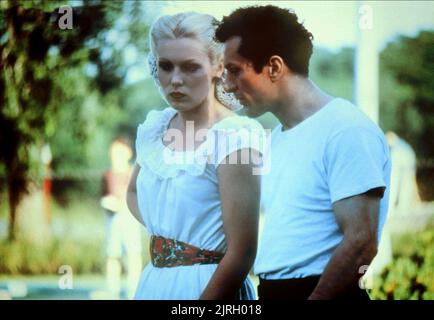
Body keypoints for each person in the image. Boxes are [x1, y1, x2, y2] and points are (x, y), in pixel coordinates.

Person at [215, 5, 391, 300]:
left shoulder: (345, 128)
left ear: (273, 66)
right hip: (274, 291)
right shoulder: (275, 140)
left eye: (234, 70)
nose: (228, 86)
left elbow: (361, 243)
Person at [127, 12, 266, 300]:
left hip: (211, 285)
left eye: (190, 67)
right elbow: (131, 193)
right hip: (155, 281)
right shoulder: (155, 128)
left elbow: (243, 252)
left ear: (217, 66)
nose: (175, 80)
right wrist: (172, 236)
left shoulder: (235, 137)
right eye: (165, 66)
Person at [100, 138, 142, 299]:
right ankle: (112, 289)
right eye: (113, 152)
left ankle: (134, 288)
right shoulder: (107, 174)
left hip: (129, 218)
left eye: (119, 151)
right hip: (113, 219)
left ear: (128, 153)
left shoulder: (132, 172)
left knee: (132, 254)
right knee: (112, 254)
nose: (115, 155)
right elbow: (104, 194)